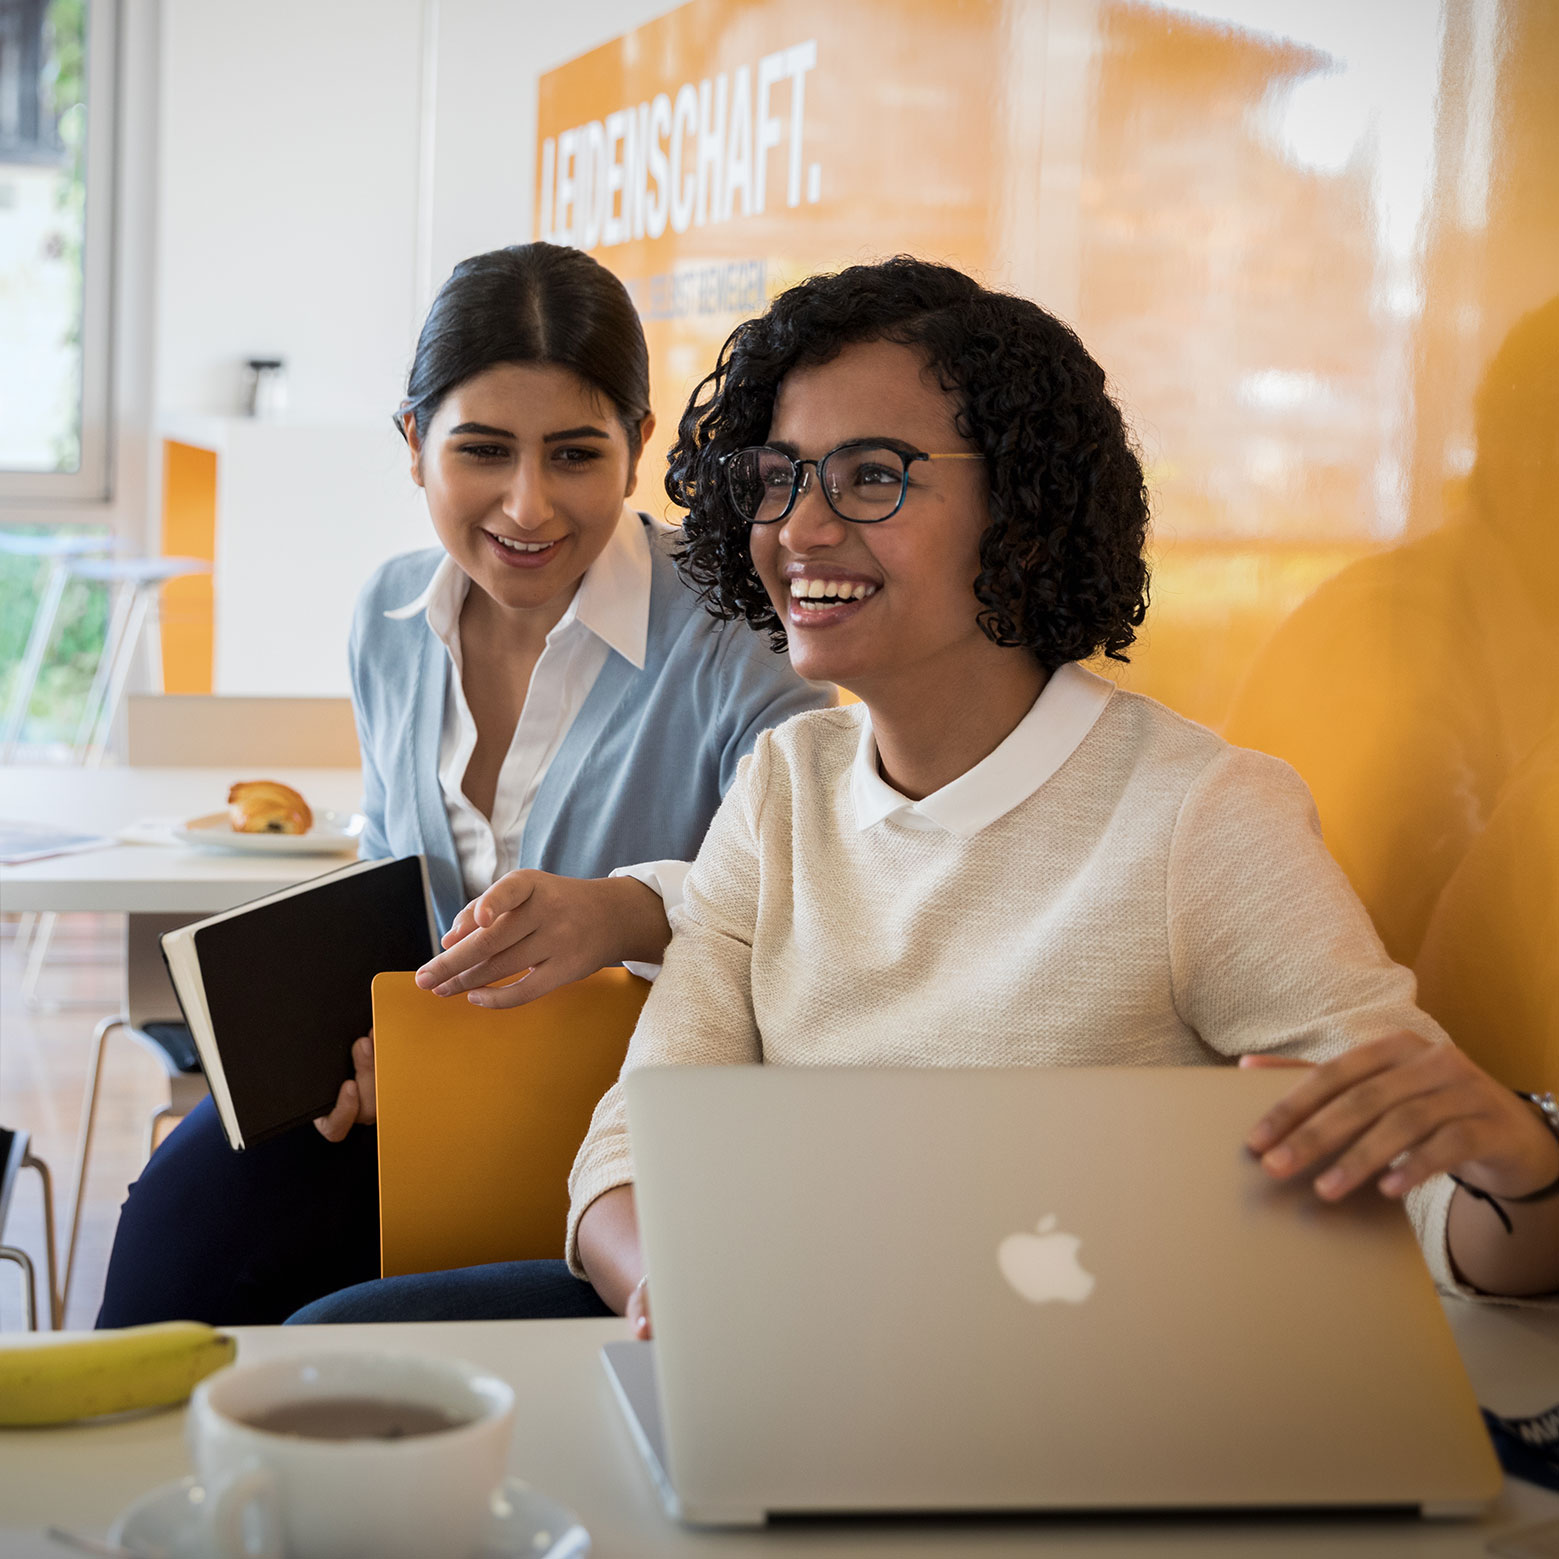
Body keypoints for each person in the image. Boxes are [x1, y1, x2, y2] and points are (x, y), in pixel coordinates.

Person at [292, 257, 1559, 1330]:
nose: (799, 528)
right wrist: (669, 1288)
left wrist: (1530, 1176)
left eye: (871, 477)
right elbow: (631, 1145)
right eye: (779, 478)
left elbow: (1447, 1206)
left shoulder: (1198, 814)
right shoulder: (788, 787)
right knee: (325, 1345)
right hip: (771, 1340)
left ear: (1020, 507)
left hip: (1055, 1393)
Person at [96, 244, 830, 1328]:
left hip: (626, 1114)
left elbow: (822, 877)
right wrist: (370, 1035)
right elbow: (399, 889)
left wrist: (625, 906)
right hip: (434, 1087)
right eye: (481, 450)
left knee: (306, 1322)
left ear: (634, 446)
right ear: (413, 445)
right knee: (179, 1226)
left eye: (574, 455)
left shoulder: (736, 628)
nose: (526, 506)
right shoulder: (390, 615)